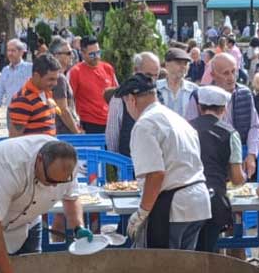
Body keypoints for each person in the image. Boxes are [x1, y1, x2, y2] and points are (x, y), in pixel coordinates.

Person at [0, 137, 87, 273]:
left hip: (28, 219)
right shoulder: (9, 166)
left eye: (61, 182)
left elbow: (71, 198)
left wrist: (78, 227)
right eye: (50, 180)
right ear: (39, 160)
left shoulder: (67, 164)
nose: (55, 185)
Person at [116, 73, 212, 250]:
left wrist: (142, 213)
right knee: (184, 268)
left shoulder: (144, 125)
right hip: (198, 202)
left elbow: (156, 174)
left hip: (173, 205)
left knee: (162, 269)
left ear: (131, 100)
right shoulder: (176, 118)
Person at [184, 53, 259, 179]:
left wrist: (252, 154)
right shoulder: (199, 96)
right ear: (213, 75)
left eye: (234, 71)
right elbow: (189, 131)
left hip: (239, 162)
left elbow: (255, 127)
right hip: (208, 165)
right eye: (226, 73)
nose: (231, 77)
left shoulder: (245, 94)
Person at [188, 85, 247, 253]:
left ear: (200, 107)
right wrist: (243, 175)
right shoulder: (230, 133)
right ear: (224, 108)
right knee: (208, 252)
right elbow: (236, 178)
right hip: (213, 199)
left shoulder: (184, 128)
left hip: (184, 196)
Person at [105, 53, 161, 159]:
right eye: (148, 75)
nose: (152, 81)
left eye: (156, 76)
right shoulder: (120, 98)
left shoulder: (160, 95)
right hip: (128, 164)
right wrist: (119, 164)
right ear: (135, 70)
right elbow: (112, 136)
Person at [69, 37, 117, 133]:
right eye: (92, 54)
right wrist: (76, 126)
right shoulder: (76, 72)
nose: (96, 57)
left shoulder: (107, 68)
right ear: (82, 53)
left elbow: (116, 93)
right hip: (88, 123)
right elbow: (70, 100)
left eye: (98, 53)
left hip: (109, 121)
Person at [8, 54, 63, 136]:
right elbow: (14, 138)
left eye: (56, 79)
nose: (55, 83)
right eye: (51, 79)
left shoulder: (46, 92)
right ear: (36, 76)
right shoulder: (23, 100)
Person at [0, 39, 33, 128]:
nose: (10, 54)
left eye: (13, 51)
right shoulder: (5, 70)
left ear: (21, 52)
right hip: (11, 110)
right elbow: (0, 91)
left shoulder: (30, 68)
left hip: (28, 110)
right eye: (8, 50)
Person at [49, 39, 82, 134]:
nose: (72, 56)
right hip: (64, 133)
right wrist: (76, 132)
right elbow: (63, 110)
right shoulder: (59, 78)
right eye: (68, 53)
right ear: (56, 55)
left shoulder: (56, 76)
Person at [157, 47, 198, 117]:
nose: (183, 67)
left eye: (185, 64)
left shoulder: (194, 90)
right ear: (167, 65)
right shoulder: (156, 88)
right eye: (179, 63)